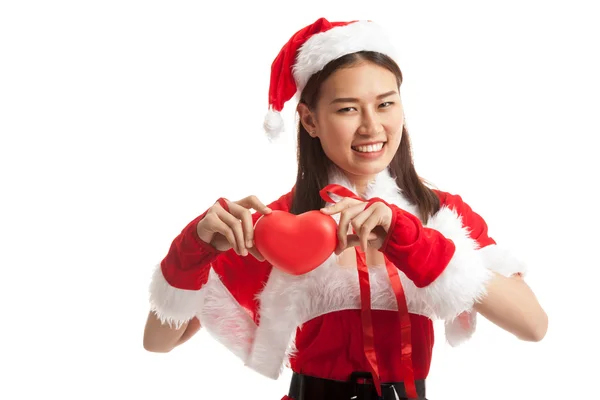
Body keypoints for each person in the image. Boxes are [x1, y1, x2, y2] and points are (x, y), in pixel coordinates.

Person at [143, 17, 548, 400]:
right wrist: (193, 248)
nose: (372, 127)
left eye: (386, 104)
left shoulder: (440, 215)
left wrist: (414, 242)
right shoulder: (276, 227)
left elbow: (533, 325)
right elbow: (159, 341)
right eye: (347, 108)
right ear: (309, 120)